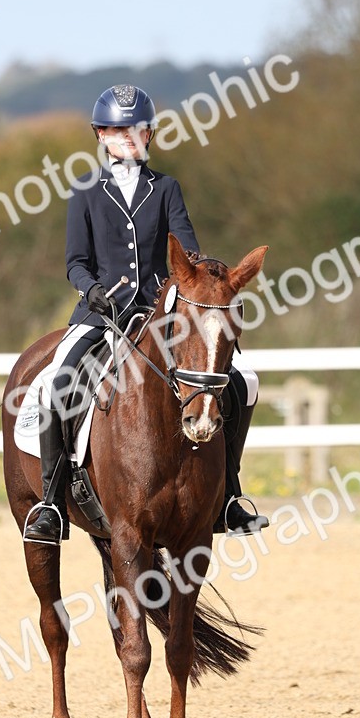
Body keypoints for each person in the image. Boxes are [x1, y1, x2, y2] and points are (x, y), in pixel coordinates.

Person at [24, 83, 269, 545]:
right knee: (58, 384)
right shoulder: (86, 190)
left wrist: (201, 275)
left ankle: (229, 496)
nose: (129, 138)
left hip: (162, 314)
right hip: (101, 313)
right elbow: (76, 261)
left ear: (150, 134)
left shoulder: (167, 188)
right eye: (118, 131)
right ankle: (52, 503)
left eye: (137, 130)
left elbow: (186, 248)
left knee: (242, 382)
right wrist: (92, 290)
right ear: (100, 134)